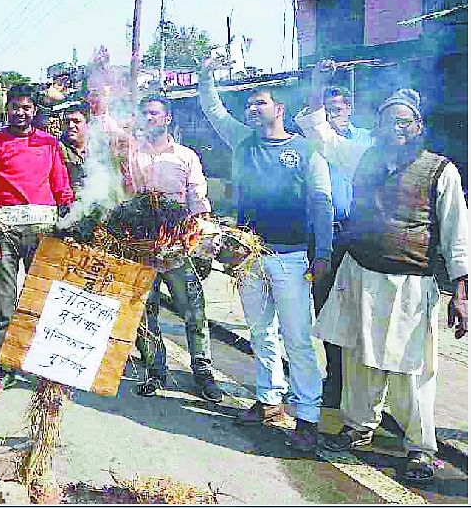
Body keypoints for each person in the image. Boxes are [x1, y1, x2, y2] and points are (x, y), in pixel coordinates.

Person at [297, 88, 467, 484]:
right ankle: (358, 426)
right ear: (377, 127)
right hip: (359, 275)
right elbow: (321, 134)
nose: (396, 128)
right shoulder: (362, 158)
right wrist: (317, 87)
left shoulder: (442, 170)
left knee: (412, 367)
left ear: (418, 126)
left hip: (410, 285)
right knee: (358, 358)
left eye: (404, 121)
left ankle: (420, 447)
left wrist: (461, 295)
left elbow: (459, 236)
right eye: (389, 120)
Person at [198, 56, 332, 453]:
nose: (253, 109)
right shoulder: (242, 141)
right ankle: (270, 399)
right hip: (249, 256)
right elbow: (213, 108)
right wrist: (207, 76)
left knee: (298, 339)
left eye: (261, 102)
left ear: (280, 109)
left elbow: (321, 202)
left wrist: (321, 252)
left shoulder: (307, 151)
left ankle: (307, 416)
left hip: (291, 258)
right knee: (260, 331)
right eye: (250, 104)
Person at [0, 84, 75, 397]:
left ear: (35, 110)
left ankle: (44, 366)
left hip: (43, 232)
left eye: (27, 107)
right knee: (2, 301)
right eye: (15, 107)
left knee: (44, 300)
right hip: (3, 232)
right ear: (7, 108)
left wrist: (70, 224)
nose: (21, 113)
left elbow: (61, 188)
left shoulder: (49, 144)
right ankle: (5, 366)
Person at [122, 96, 223, 403]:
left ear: (167, 119)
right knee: (143, 312)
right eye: (144, 113)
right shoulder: (130, 155)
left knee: (194, 312)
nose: (148, 118)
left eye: (154, 113)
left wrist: (203, 245)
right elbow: (122, 194)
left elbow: (198, 201)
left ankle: (203, 371)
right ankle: (155, 371)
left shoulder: (186, 156)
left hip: (179, 247)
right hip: (142, 246)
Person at [301, 65, 375, 408]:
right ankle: (335, 379)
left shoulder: (365, 142)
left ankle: (360, 388)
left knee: (360, 311)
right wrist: (317, 85)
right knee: (327, 309)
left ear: (350, 110)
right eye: (326, 111)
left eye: (338, 110)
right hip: (321, 236)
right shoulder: (314, 144)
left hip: (357, 238)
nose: (332, 116)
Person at [59, 101, 90, 191]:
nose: (71, 126)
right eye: (67, 122)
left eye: (76, 121)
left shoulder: (98, 147)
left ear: (87, 123)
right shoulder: (56, 149)